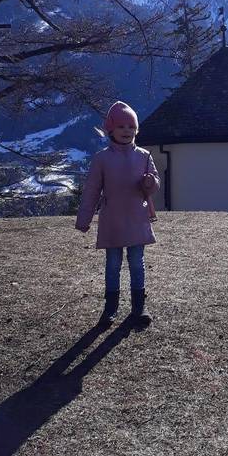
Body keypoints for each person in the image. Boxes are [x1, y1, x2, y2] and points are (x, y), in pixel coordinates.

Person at [75, 101, 160, 327]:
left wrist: (150, 182)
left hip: (137, 218)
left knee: (136, 262)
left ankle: (139, 308)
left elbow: (154, 185)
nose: (127, 131)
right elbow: (92, 190)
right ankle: (110, 309)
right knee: (112, 264)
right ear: (110, 129)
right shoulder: (101, 159)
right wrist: (84, 219)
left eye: (131, 127)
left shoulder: (144, 156)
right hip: (112, 220)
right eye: (121, 126)